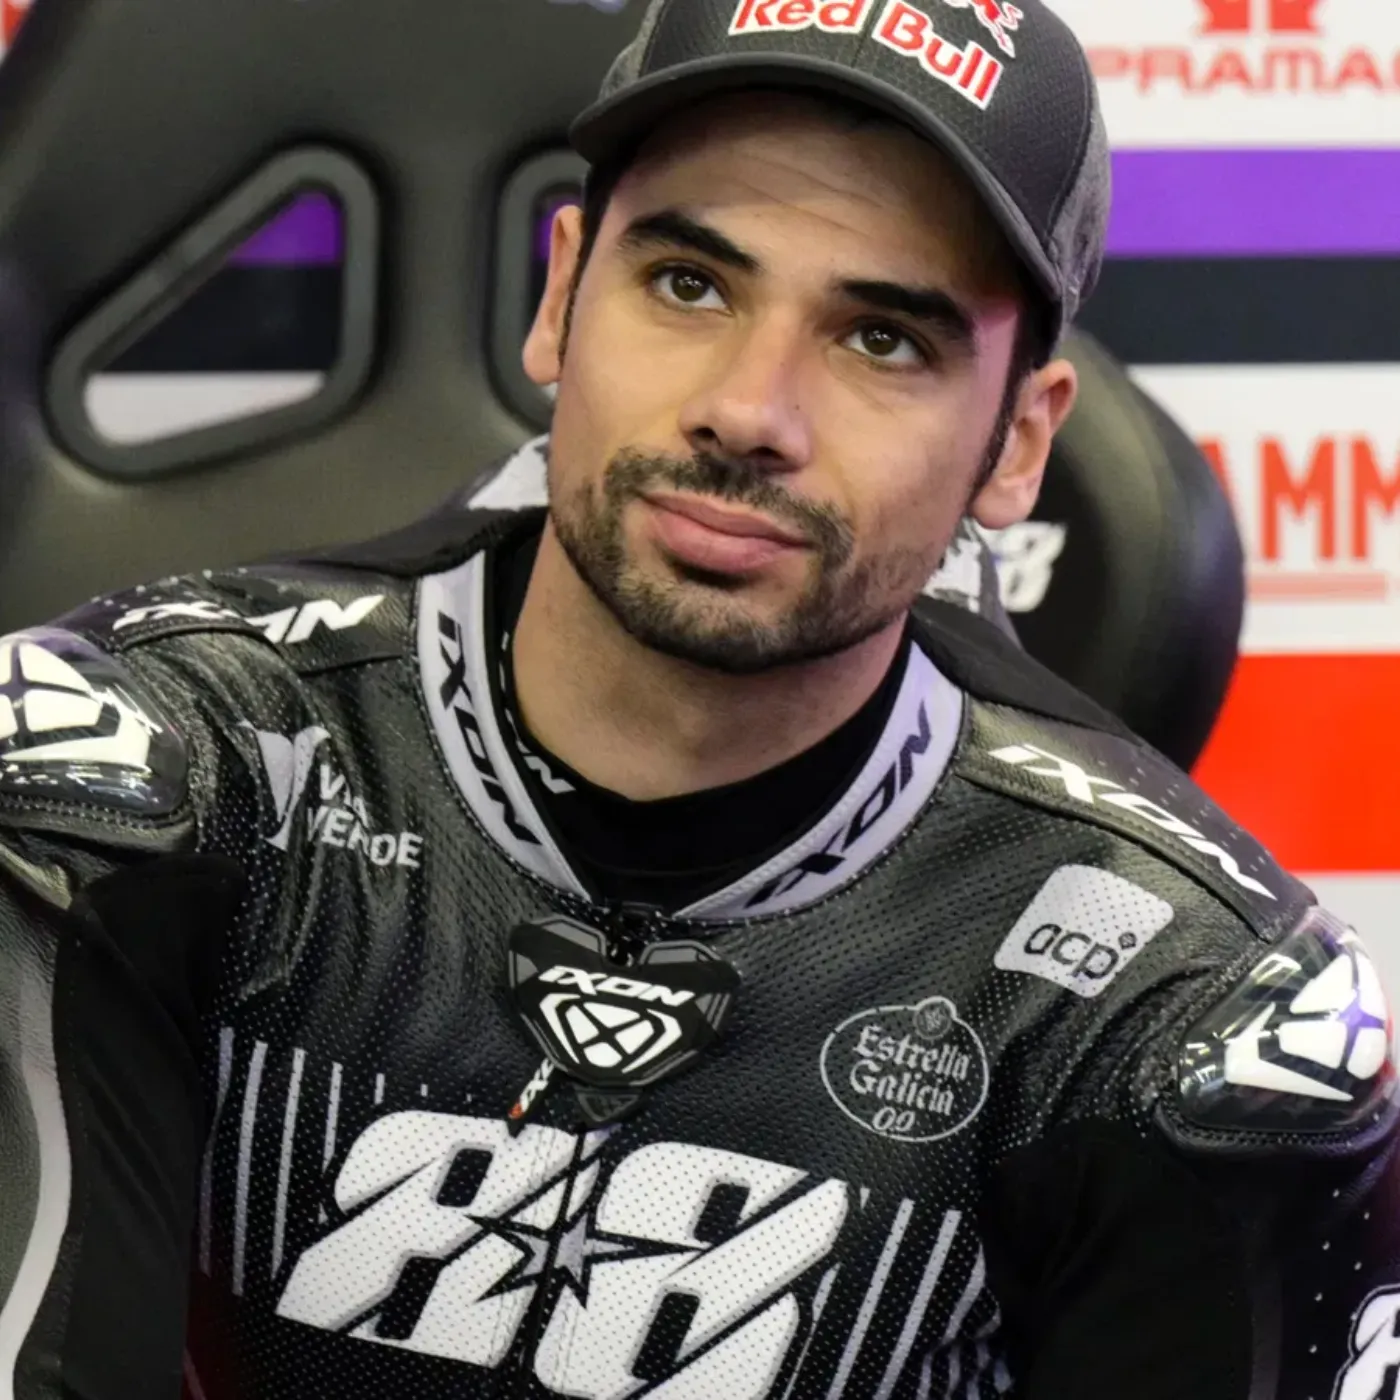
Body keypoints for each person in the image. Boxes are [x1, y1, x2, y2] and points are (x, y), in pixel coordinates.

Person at [0, 0, 1395, 1396]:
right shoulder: (133, 785)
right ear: (561, 299)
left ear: (1019, 444)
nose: (749, 410)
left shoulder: (1192, 1017)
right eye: (688, 284)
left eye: (881, 340)